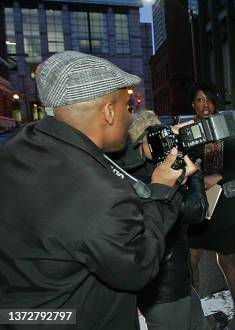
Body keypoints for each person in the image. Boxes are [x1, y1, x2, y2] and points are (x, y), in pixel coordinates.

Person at [0, 51, 195, 329]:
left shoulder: (22, 146)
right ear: (108, 111)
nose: (131, 117)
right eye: (128, 106)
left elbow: (94, 159)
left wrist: (143, 154)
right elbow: (138, 265)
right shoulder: (97, 195)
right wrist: (162, 191)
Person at [114, 110, 209, 330]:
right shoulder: (145, 181)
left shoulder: (148, 169)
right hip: (164, 290)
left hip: (175, 282)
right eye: (156, 137)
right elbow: (196, 210)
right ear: (140, 141)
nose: (165, 142)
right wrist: (194, 173)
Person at [187, 81, 235, 329]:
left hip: (224, 203)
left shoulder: (226, 126)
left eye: (210, 99)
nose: (206, 104)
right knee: (191, 260)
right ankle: (195, 316)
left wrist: (218, 176)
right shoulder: (187, 131)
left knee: (227, 262)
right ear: (193, 103)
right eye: (200, 99)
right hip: (197, 203)